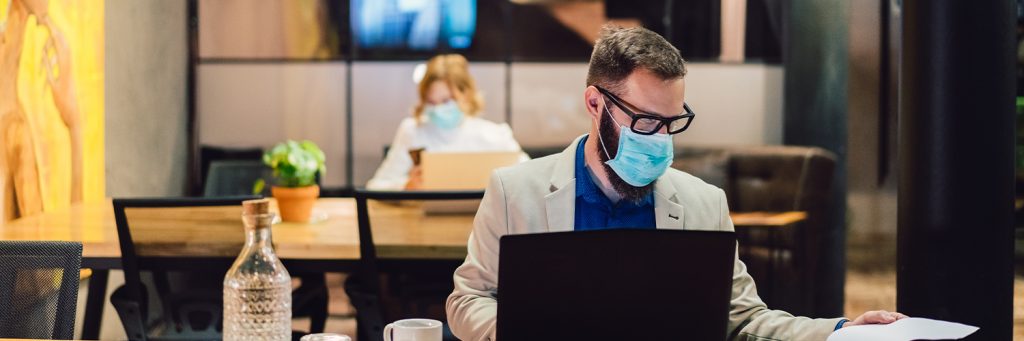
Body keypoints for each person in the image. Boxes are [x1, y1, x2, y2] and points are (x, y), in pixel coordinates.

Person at [446, 25, 906, 340]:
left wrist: (842, 331)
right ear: (595, 104)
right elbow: (468, 300)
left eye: (672, 121)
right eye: (645, 122)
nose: (661, 140)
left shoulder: (704, 203)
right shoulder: (515, 190)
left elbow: (745, 319)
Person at [366, 54, 527, 190]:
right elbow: (376, 186)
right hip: (422, 224)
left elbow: (530, 178)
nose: (437, 109)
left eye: (446, 101)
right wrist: (407, 186)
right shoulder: (413, 131)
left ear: (466, 94)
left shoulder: (494, 135)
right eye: (431, 102)